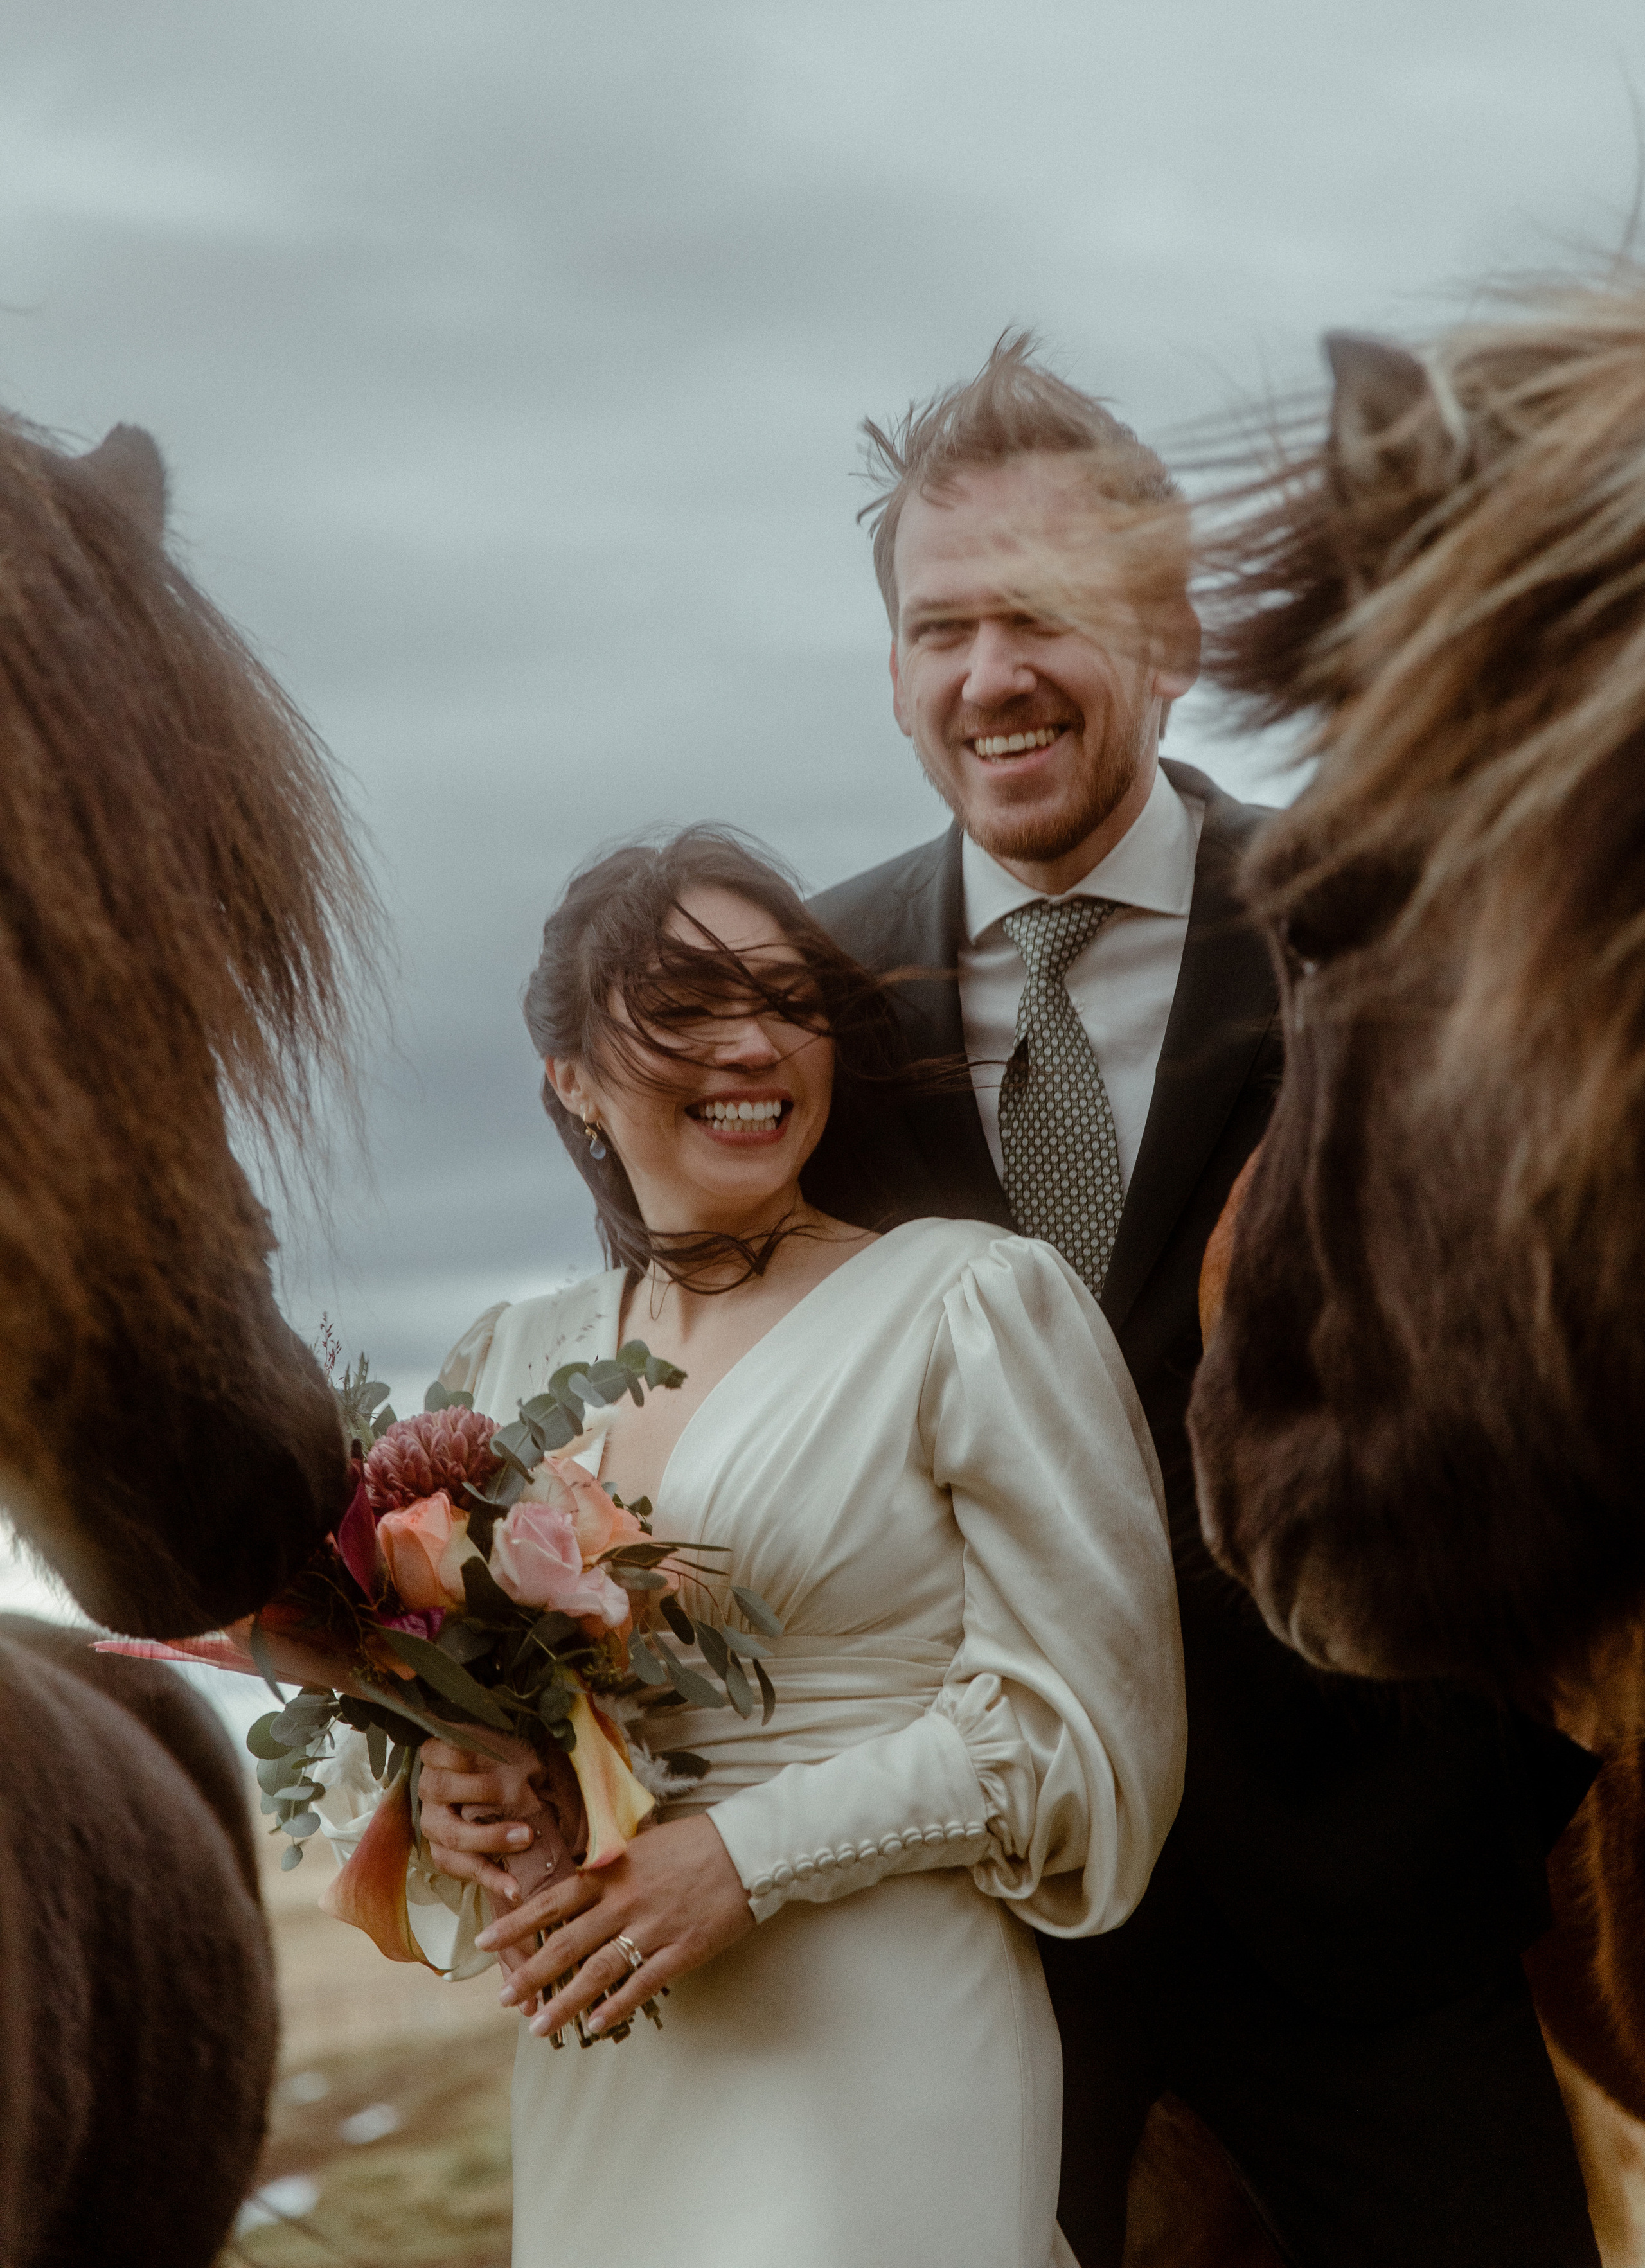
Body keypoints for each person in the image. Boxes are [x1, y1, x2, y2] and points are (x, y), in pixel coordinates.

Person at [799, 335, 1603, 2268]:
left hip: (1374, 1921)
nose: (989, 674)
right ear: (893, 671)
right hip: (983, 1935)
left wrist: (1488, 1805)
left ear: (1169, 639)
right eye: (939, 628)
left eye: (1042, 615)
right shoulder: (814, 1001)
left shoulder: (1377, 917)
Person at [389, 829, 1186, 2268]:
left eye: (785, 1001)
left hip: (884, 2022)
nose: (753, 1046)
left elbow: (1082, 1730)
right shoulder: (503, 1368)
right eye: (685, 1009)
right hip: (609, 2045)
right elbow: (452, 1703)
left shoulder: (968, 1305)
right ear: (570, 1078)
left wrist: (750, 1857)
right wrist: (453, 1789)